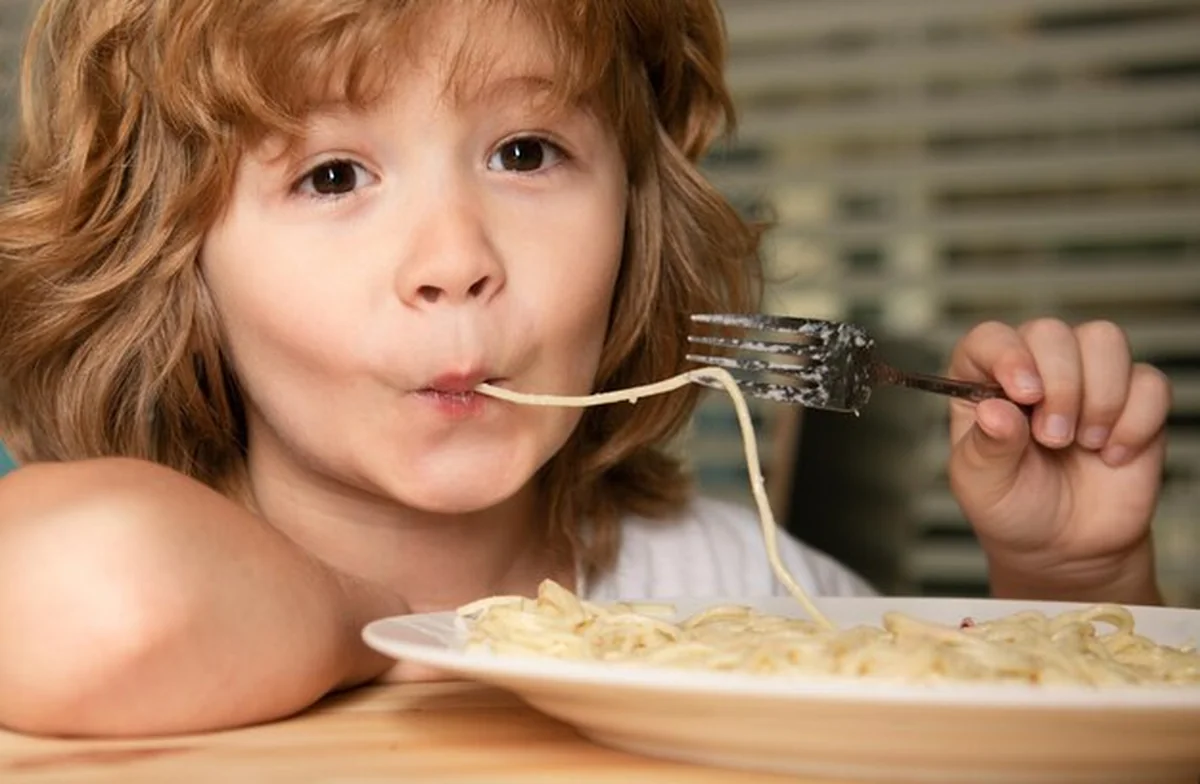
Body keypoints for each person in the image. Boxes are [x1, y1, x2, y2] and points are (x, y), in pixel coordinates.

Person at [0, 0, 1170, 738]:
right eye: (332, 177)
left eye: (525, 151)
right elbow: (99, 586)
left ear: (634, 218)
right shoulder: (121, 579)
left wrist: (1074, 584)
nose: (455, 262)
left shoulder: (745, 587)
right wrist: (402, 627)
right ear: (172, 261)